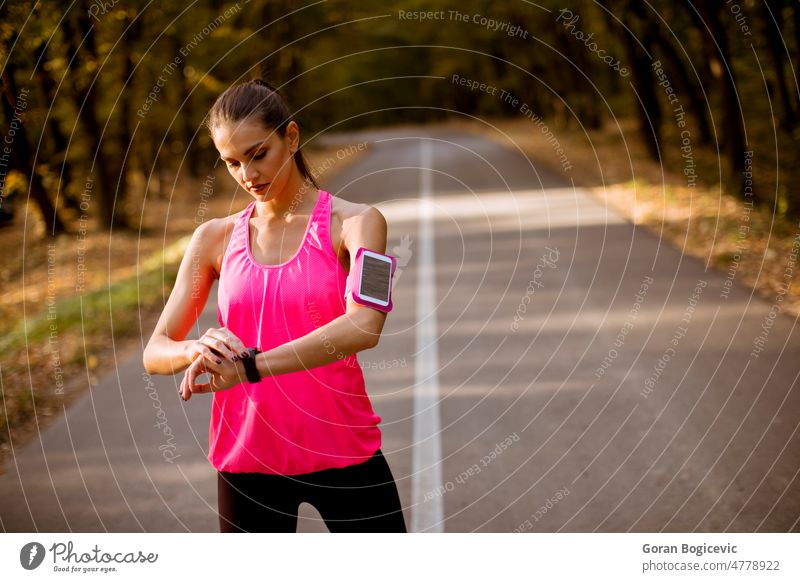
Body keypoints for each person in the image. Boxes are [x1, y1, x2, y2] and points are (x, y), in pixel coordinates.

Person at [142, 78, 407, 533]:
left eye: (258, 153)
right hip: (248, 460)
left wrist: (251, 367)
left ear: (292, 136)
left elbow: (364, 326)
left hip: (344, 450)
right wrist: (198, 350)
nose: (247, 175)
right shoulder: (213, 238)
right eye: (232, 162)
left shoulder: (358, 223)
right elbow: (155, 351)